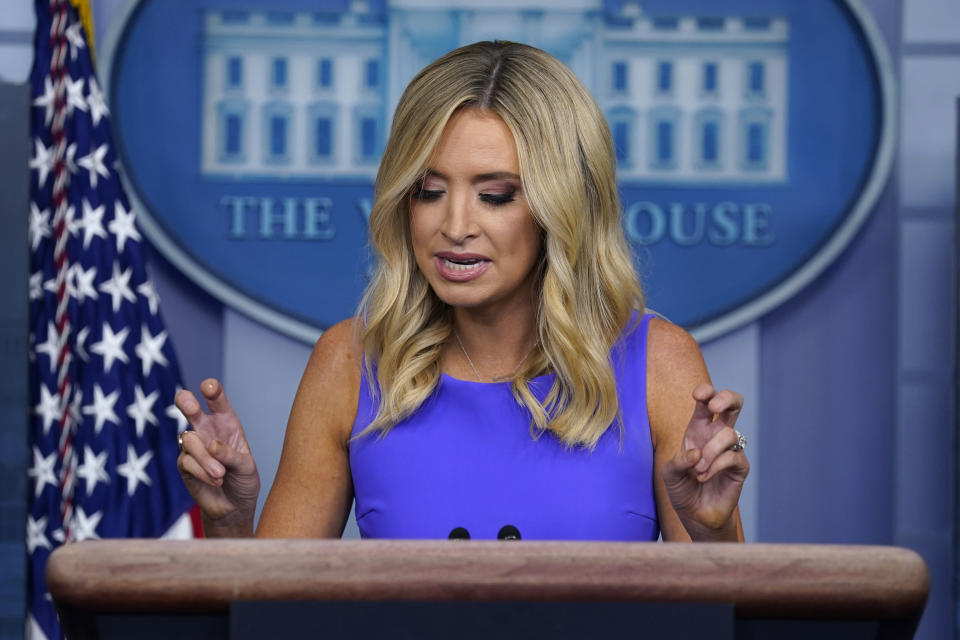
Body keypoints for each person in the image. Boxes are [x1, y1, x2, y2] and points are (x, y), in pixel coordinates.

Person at [176, 41, 749, 542]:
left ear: (563, 207)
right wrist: (229, 523)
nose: (454, 225)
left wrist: (710, 530)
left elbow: (728, 618)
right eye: (428, 191)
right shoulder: (349, 363)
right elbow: (272, 617)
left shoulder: (659, 364)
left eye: (494, 195)